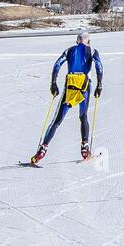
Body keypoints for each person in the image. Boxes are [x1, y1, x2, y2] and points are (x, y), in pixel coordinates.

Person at [32, 31, 103, 164]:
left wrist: (53, 83)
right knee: (83, 117)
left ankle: (43, 149)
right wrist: (99, 84)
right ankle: (85, 147)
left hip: (70, 87)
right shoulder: (92, 50)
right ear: (88, 41)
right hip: (84, 87)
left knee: (57, 120)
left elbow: (57, 64)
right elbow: (99, 66)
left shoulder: (69, 50)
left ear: (77, 40)